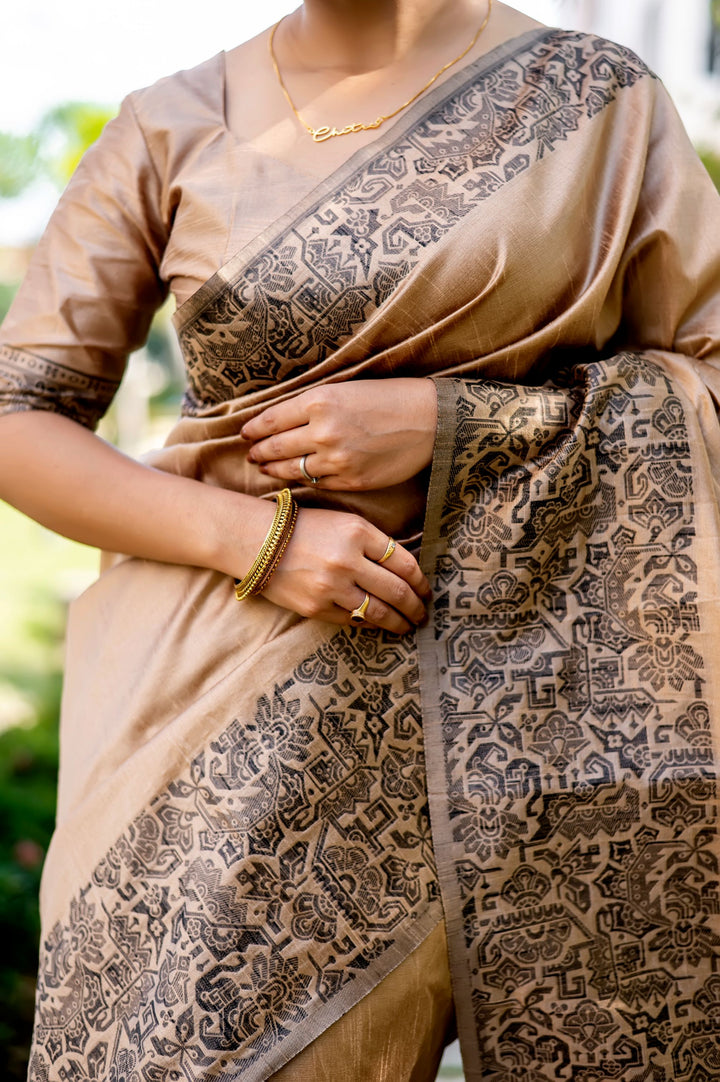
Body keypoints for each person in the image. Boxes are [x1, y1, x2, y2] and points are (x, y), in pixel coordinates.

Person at [2, 0, 720, 1078]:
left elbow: (706, 377)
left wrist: (458, 425)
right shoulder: (172, 121)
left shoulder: (595, 102)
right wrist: (257, 537)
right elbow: (18, 414)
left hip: (545, 720)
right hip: (214, 728)